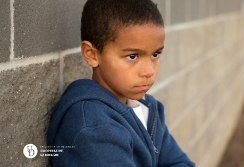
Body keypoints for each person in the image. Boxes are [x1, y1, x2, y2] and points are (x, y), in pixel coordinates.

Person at [47, 0, 195, 166]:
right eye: (132, 56)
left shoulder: (147, 107)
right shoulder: (92, 126)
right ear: (92, 54)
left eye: (155, 54)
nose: (149, 71)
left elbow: (179, 162)